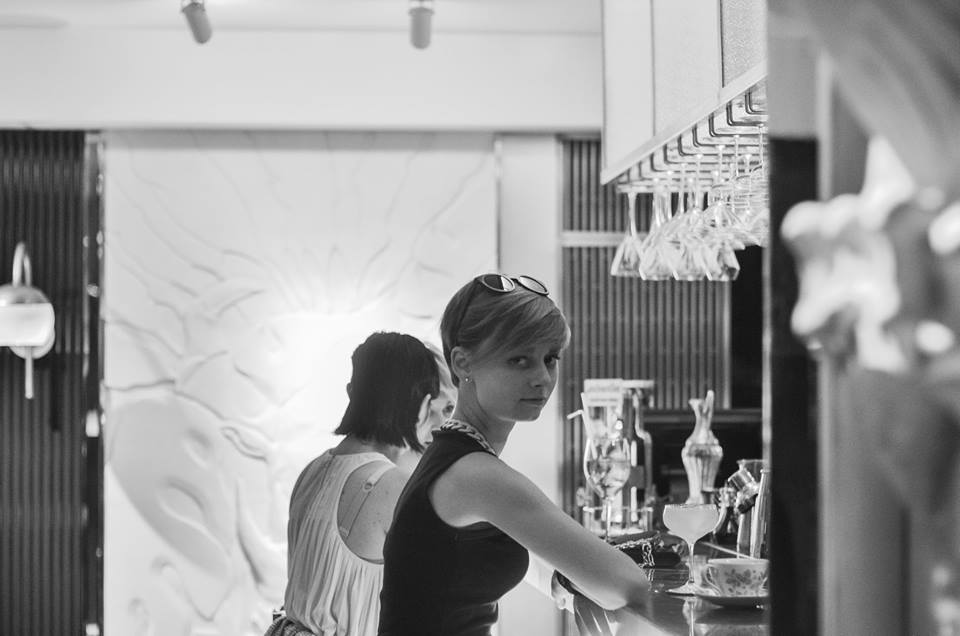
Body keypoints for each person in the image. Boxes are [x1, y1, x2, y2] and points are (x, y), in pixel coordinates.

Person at [378, 274, 651, 636]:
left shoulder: (453, 454)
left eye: (550, 358)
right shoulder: (475, 474)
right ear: (462, 364)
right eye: (519, 360)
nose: (542, 378)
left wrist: (568, 582)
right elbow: (628, 585)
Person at [270, 331, 456, 636]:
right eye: (441, 408)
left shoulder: (312, 470)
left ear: (352, 394)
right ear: (423, 406)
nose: (441, 424)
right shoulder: (393, 487)